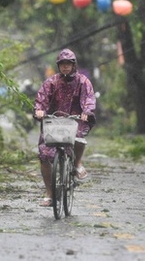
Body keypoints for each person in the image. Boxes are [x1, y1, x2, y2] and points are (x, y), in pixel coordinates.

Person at [33, 48, 96, 207]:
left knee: (79, 138)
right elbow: (41, 98)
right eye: (62, 64)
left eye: (68, 64)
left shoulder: (83, 82)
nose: (65, 67)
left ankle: (77, 163)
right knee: (44, 154)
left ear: (74, 65)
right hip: (54, 121)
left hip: (76, 120)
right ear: (58, 66)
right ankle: (49, 194)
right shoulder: (51, 82)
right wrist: (39, 110)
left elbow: (89, 98)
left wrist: (86, 112)